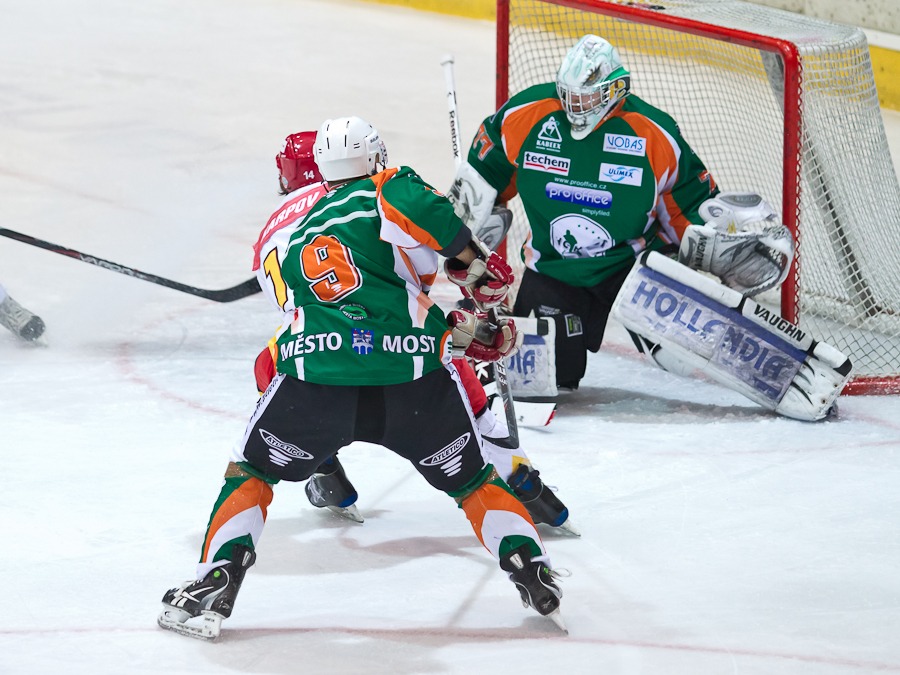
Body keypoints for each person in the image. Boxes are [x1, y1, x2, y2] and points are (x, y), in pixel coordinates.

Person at [158, 116, 566, 641]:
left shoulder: (301, 227)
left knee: (251, 471)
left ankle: (216, 579)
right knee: (473, 482)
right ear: (375, 158)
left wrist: (460, 313)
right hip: (410, 380)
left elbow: (344, 310)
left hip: (317, 377)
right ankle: (531, 564)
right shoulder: (390, 187)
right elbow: (417, 263)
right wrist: (477, 274)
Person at [251, 130, 577, 532]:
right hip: (398, 344)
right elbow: (412, 272)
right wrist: (467, 278)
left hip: (315, 352)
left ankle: (326, 472)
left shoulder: (270, 230)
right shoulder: (367, 196)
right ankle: (523, 483)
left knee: (268, 366)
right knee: (452, 373)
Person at [449, 34, 793, 394]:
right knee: (538, 382)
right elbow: (484, 175)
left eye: (586, 97)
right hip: (553, 268)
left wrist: (714, 248)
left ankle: (764, 358)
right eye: (569, 95)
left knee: (684, 354)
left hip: (634, 267)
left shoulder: (654, 133)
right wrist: (466, 228)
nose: (575, 106)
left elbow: (686, 205)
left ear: (616, 89)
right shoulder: (525, 114)